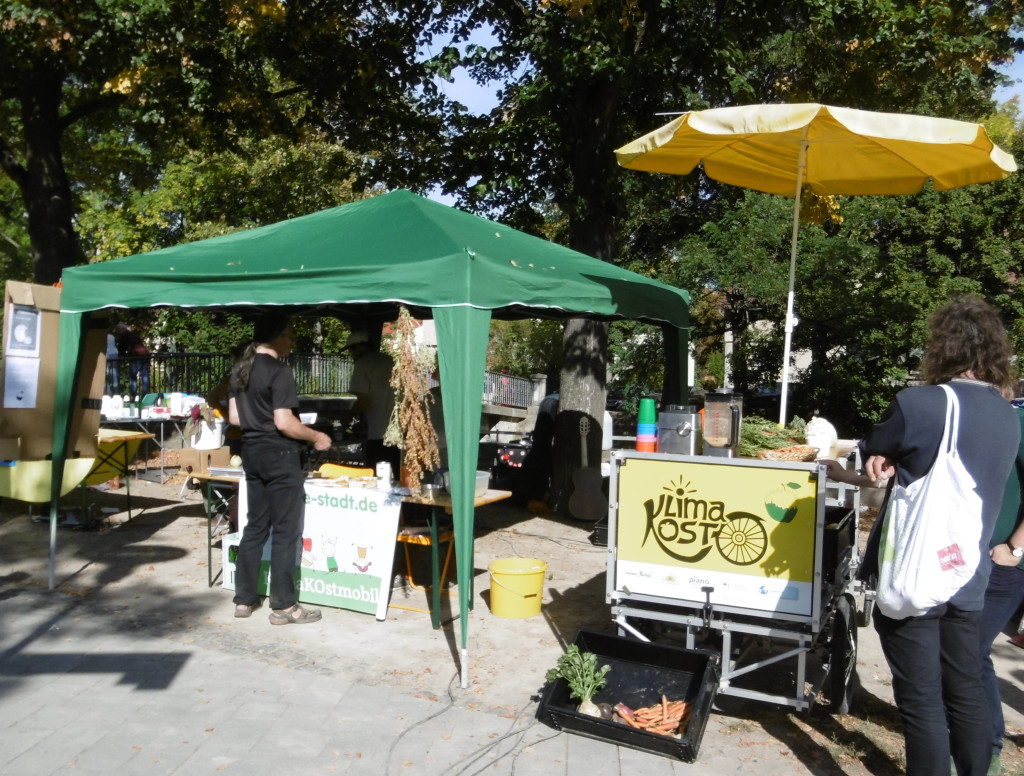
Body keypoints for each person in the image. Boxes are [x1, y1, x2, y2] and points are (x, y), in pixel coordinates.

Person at [857, 295, 1020, 776]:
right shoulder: (1006, 414)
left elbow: (874, 451)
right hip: (968, 574)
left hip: (918, 572)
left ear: (941, 347)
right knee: (965, 686)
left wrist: (881, 456)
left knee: (921, 697)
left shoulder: (919, 404)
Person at [229, 312, 331, 625]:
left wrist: (256, 422)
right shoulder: (280, 370)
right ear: (276, 337)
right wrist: (316, 436)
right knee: (286, 530)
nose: (292, 341)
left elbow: (234, 418)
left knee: (255, 525)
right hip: (280, 453)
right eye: (289, 335)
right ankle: (285, 605)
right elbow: (284, 422)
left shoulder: (241, 368)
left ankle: (244, 599)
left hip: (252, 452)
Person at [977, 400, 1024, 776]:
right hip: (976, 560)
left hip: (1004, 565)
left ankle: (987, 748)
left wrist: (1014, 547)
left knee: (968, 653)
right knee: (965, 653)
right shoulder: (1006, 414)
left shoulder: (1018, 419)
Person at [345, 330, 399, 472]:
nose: (351, 354)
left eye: (351, 349)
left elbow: (361, 401)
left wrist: (345, 420)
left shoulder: (362, 364)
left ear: (358, 347)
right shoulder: (390, 360)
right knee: (399, 475)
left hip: (377, 432)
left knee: (375, 476)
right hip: (398, 430)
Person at [115, 322, 150, 397]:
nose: (118, 332)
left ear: (121, 329)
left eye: (118, 330)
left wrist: (121, 355)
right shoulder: (134, 334)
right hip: (145, 355)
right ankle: (145, 395)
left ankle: (133, 396)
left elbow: (121, 349)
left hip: (136, 356)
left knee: (133, 377)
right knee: (145, 376)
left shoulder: (124, 336)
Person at [105, 331, 120, 395]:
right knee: (114, 375)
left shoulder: (104, 337)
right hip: (115, 355)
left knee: (106, 375)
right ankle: (116, 392)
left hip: (108, 356)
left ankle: (107, 392)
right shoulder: (111, 336)